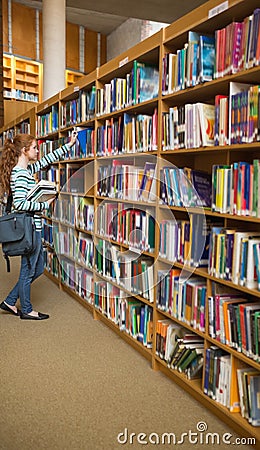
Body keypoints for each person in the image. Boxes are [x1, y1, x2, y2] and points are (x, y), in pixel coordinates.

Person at [0, 131, 77, 320]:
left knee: (39, 267)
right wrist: (44, 204)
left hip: (34, 227)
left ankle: (10, 301)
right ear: (25, 150)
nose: (37, 150)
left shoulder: (26, 171)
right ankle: (26, 310)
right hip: (29, 229)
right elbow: (20, 203)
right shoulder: (19, 174)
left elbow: (46, 161)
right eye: (34, 147)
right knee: (28, 269)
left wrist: (69, 144)